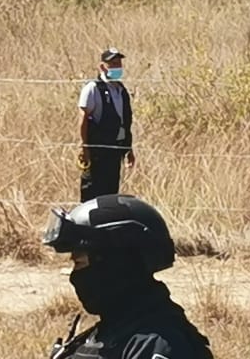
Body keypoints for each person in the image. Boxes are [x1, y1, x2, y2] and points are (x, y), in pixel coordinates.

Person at [42, 194, 213, 359]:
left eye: (79, 262)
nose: (74, 277)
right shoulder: (110, 332)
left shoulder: (159, 343)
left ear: (115, 264)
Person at [77, 49, 135, 201]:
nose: (117, 67)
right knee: (92, 193)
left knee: (110, 194)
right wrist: (84, 147)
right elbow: (83, 118)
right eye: (113, 64)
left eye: (119, 64)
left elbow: (125, 122)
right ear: (102, 67)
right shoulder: (93, 88)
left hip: (115, 151)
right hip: (97, 152)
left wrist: (128, 149)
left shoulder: (121, 90)